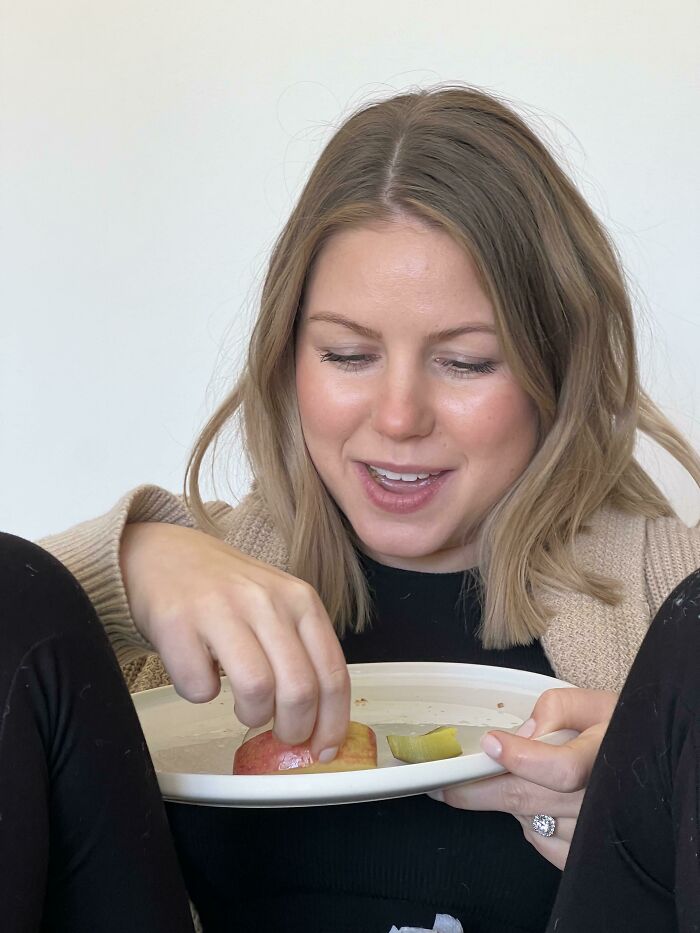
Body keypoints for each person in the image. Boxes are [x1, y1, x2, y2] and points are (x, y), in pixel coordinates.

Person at [21, 85, 700, 930]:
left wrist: (653, 827)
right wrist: (127, 564)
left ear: (555, 371)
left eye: (466, 362)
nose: (399, 417)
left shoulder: (673, 603)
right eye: (348, 354)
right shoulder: (192, 591)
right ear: (287, 359)